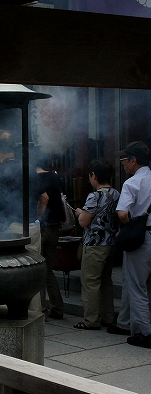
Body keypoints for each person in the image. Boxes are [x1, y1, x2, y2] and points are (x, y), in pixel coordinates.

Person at [74, 158, 120, 331]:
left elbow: (84, 222)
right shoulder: (116, 193)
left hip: (94, 244)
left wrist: (79, 213)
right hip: (111, 243)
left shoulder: (95, 196)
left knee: (91, 282)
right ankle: (108, 317)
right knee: (106, 281)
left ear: (93, 175)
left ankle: (91, 320)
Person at [115, 141, 151, 348]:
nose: (123, 164)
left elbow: (122, 213)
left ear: (133, 161)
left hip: (142, 237)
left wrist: (130, 225)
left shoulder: (131, 183)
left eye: (124, 160)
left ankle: (144, 333)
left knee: (137, 286)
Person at [33, 154, 66, 320]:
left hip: (42, 227)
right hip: (55, 228)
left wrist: (38, 218)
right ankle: (57, 307)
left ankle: (42, 310)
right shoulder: (54, 176)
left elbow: (43, 198)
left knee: (38, 268)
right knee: (48, 269)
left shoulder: (35, 177)